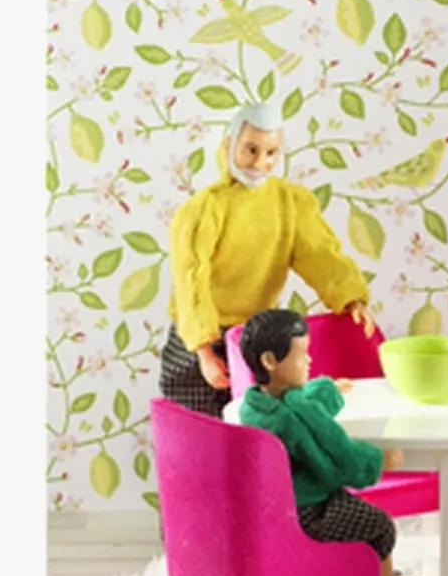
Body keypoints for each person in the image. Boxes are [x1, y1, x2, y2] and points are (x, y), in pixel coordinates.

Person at [158, 101, 377, 419]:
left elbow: (320, 253)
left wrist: (350, 297)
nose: (260, 162)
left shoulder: (290, 203)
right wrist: (203, 351)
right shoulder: (204, 210)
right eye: (251, 150)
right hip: (200, 336)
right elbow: (191, 281)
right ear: (230, 145)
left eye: (270, 152)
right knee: (202, 424)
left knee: (257, 423)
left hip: (253, 337)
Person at [239, 309, 434, 576]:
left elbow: (299, 402)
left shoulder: (255, 406)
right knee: (379, 525)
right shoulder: (292, 422)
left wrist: (329, 390)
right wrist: (380, 460)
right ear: (270, 361)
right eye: (302, 354)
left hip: (280, 508)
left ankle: (378, 574)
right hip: (308, 513)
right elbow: (337, 461)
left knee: (362, 514)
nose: (309, 360)